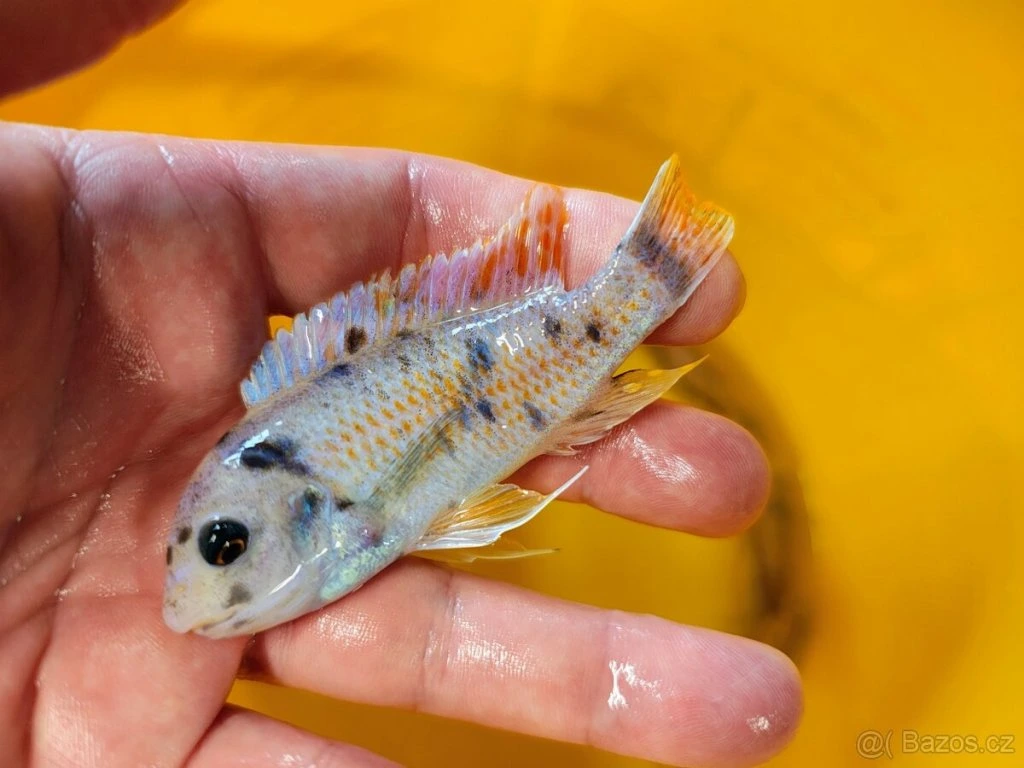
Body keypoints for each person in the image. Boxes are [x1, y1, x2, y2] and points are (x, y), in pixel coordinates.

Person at [0, 2, 802, 766]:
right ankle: (649, 273)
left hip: (521, 366)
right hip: (511, 377)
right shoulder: (316, 504)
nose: (200, 589)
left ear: (302, 509)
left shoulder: (329, 499)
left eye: (225, 544)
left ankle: (650, 271)